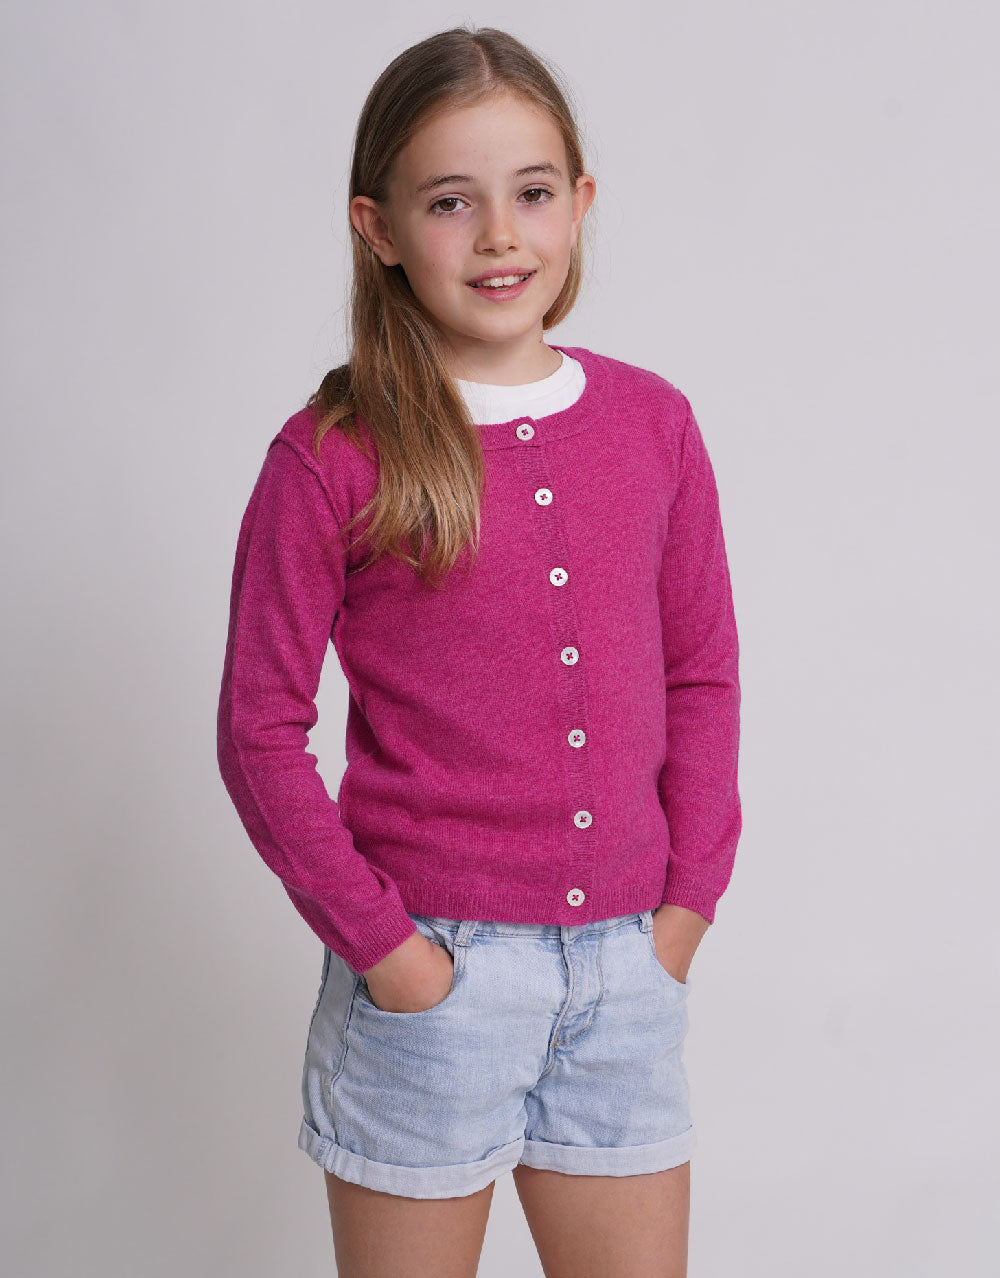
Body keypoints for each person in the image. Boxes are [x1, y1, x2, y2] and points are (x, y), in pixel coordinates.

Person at [216, 23, 742, 1278]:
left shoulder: (654, 425)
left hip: (625, 974)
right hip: (432, 985)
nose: (501, 235)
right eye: (452, 201)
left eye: (532, 193)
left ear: (580, 203)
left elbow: (700, 674)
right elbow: (257, 732)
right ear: (380, 228)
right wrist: (391, 956)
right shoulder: (334, 454)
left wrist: (683, 911)